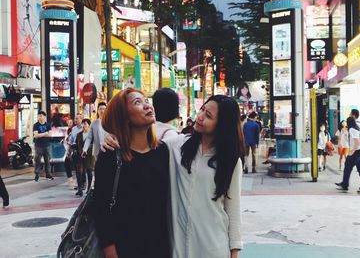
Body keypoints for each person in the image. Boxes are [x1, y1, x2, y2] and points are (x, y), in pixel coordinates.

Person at [104, 95, 244, 258]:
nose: (200, 117)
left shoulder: (230, 161)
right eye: (202, 110)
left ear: (222, 125)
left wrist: (234, 253)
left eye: (209, 116)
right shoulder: (177, 145)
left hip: (213, 247)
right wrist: (113, 137)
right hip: (178, 249)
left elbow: (233, 212)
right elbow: (143, 146)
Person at [93, 88, 170, 258]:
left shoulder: (163, 151)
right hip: (125, 248)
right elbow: (101, 209)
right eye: (137, 102)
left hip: (161, 247)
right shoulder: (111, 156)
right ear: (124, 117)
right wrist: (110, 253)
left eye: (146, 101)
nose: (147, 106)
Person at [336, 117, 360, 193]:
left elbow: (357, 141)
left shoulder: (352, 129)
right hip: (359, 152)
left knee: (347, 167)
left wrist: (352, 151)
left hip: (356, 152)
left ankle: (345, 185)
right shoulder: (356, 128)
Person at [75, 119, 95, 197]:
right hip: (80, 156)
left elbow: (93, 144)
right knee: (79, 172)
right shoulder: (79, 134)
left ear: (89, 125)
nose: (84, 125)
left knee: (89, 172)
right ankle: (80, 189)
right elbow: (77, 145)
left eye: (86, 124)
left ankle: (89, 189)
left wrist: (86, 150)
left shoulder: (92, 135)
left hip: (89, 156)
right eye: (83, 124)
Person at [33, 111, 53, 181]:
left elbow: (50, 134)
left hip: (46, 145)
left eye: (41, 116)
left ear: (44, 117)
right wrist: (45, 133)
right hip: (38, 146)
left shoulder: (48, 125)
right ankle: (37, 174)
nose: (40, 117)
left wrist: (40, 134)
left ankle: (48, 175)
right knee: (37, 160)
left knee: (47, 161)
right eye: (39, 116)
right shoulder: (36, 125)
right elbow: (35, 136)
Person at [64, 118, 74, 189]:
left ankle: (72, 180)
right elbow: (66, 139)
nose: (69, 124)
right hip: (68, 150)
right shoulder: (67, 130)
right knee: (67, 163)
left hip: (72, 150)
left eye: (71, 122)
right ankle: (70, 179)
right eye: (68, 122)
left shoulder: (74, 130)